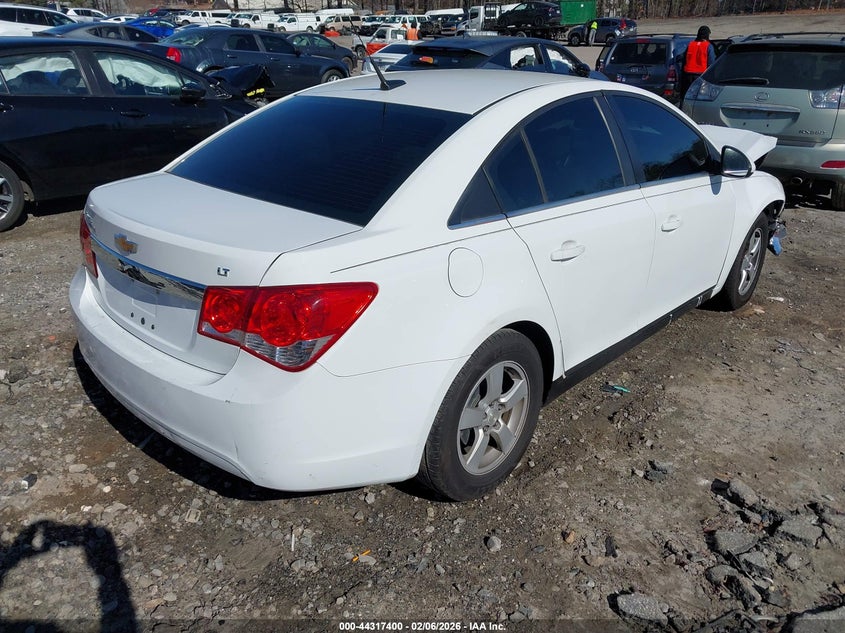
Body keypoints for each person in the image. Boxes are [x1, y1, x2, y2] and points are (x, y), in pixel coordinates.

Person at [681, 25, 716, 105]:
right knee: (700, 98)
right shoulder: (708, 46)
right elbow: (711, 63)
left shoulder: (690, 44)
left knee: (686, 96)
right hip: (701, 76)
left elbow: (684, 60)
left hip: (687, 75)